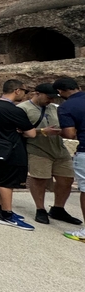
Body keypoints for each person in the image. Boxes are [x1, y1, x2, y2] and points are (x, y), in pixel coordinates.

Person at [17, 83, 81, 226]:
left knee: (67, 179)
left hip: (59, 149)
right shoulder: (23, 109)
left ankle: (59, 208)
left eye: (53, 98)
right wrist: (42, 131)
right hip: (37, 149)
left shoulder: (54, 108)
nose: (51, 100)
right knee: (39, 179)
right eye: (49, 97)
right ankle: (40, 209)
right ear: (37, 93)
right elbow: (18, 131)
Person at [0, 79, 37, 231]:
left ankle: (1, 208)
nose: (24, 95)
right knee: (7, 182)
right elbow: (32, 133)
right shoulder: (15, 110)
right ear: (17, 90)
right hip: (12, 149)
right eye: (24, 91)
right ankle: (6, 215)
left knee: (1, 179)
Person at [55, 77, 85, 241]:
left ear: (60, 92)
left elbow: (70, 134)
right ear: (78, 87)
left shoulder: (66, 106)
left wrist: (57, 132)